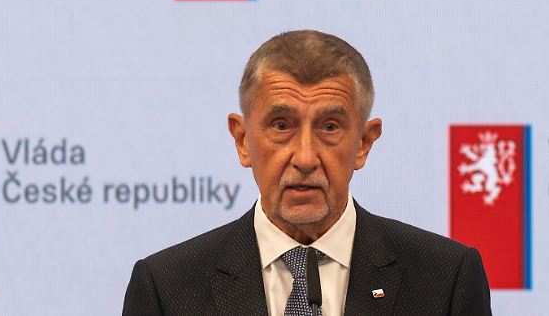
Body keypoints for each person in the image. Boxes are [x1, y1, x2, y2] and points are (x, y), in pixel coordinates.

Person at [123, 30, 492, 315]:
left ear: (363, 143)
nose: (304, 158)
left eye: (329, 127)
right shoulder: (167, 288)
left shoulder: (445, 279)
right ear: (243, 140)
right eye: (281, 125)